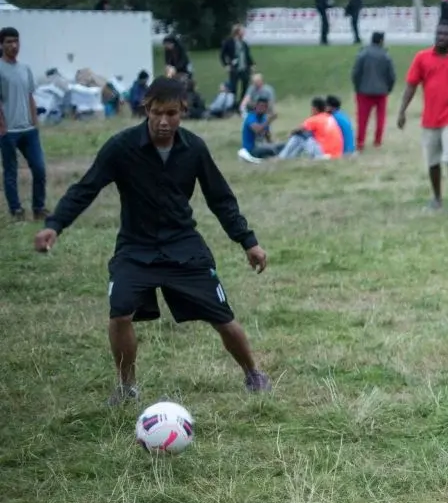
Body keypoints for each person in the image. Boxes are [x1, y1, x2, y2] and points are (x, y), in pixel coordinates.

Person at [33, 76, 271, 405]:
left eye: (171, 113)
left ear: (183, 111)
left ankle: (253, 373)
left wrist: (248, 242)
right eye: (156, 112)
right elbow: (85, 189)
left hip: (183, 247)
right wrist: (55, 225)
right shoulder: (121, 147)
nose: (163, 121)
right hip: (136, 248)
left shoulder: (194, 149)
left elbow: (221, 200)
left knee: (223, 317)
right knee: (119, 314)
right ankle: (127, 386)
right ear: (146, 109)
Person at [396, 21, 448, 215]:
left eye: (445, 34)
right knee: (432, 161)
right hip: (430, 118)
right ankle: (437, 198)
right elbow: (411, 86)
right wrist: (402, 111)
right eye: (438, 33)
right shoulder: (422, 58)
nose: (440, 37)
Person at [0, 27, 47, 223]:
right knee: (11, 171)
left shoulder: (25, 68)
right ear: (1, 44)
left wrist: (35, 122)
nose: (14, 45)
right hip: (8, 130)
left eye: (16, 41)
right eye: (9, 42)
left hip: (28, 129)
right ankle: (16, 210)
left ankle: (38, 208)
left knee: (39, 169)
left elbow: (30, 96)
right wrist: (2, 125)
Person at [351, 31, 396, 150]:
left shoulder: (362, 54)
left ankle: (360, 141)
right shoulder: (386, 56)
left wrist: (357, 87)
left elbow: (356, 73)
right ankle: (378, 141)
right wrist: (388, 88)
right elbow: (391, 75)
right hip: (381, 91)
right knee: (380, 117)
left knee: (362, 118)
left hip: (363, 91)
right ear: (381, 41)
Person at [219, 24, 254, 109]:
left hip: (244, 68)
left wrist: (252, 65)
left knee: (245, 86)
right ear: (237, 32)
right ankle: (233, 105)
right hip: (234, 68)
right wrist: (226, 65)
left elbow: (247, 56)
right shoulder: (229, 42)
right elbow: (222, 55)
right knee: (233, 87)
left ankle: (242, 104)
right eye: (242, 31)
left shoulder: (244, 43)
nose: (244, 32)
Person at [237, 96, 278, 162]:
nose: (261, 108)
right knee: (271, 150)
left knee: (280, 146)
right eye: (260, 106)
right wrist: (269, 121)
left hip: (261, 146)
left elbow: (267, 137)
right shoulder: (251, 117)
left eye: (264, 107)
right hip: (251, 149)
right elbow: (257, 130)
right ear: (256, 106)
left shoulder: (264, 118)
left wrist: (272, 143)